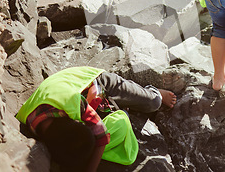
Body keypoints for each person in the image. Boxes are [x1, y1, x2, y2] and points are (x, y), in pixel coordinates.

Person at [16, 66, 177, 172]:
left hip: (94, 82)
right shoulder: (32, 123)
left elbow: (102, 135)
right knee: (122, 117)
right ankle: (121, 108)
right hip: (82, 99)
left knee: (153, 103)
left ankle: (154, 91)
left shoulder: (73, 102)